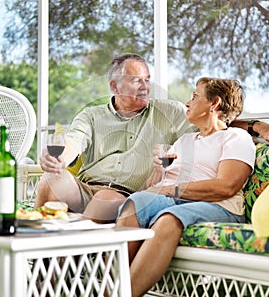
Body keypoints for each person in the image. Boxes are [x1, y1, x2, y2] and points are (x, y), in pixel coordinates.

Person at [36, 53, 269, 222]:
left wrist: (256, 125)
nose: (145, 86)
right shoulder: (92, 115)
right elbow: (73, 142)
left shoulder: (170, 112)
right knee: (50, 179)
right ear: (115, 86)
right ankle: (36, 261)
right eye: (137, 80)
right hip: (83, 188)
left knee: (105, 198)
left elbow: (214, 120)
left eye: (147, 79)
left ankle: (74, 274)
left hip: (122, 194)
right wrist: (58, 159)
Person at [116, 77, 256, 297]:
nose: (188, 103)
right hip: (176, 199)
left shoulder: (236, 137)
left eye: (194, 96)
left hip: (218, 205)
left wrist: (172, 189)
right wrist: (158, 171)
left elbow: (226, 186)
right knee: (136, 202)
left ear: (214, 103)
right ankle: (107, 288)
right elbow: (155, 188)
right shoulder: (185, 140)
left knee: (169, 218)